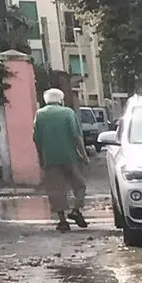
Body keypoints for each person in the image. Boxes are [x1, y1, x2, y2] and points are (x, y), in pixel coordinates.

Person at [33, 89, 90, 231]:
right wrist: (84, 155)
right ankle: (76, 210)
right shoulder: (68, 113)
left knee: (56, 189)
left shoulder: (40, 114)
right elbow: (76, 136)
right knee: (80, 185)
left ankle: (63, 221)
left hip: (50, 157)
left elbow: (37, 139)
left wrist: (41, 158)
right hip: (69, 156)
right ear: (61, 99)